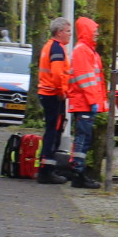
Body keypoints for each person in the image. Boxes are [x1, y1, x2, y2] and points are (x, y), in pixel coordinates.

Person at [64, 15, 107, 188]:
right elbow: (85, 80)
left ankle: (78, 171)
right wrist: (93, 101)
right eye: (94, 31)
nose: (97, 33)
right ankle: (77, 173)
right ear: (87, 31)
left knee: (84, 138)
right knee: (83, 138)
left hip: (85, 102)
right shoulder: (83, 50)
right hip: (84, 102)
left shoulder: (87, 50)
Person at [36, 17, 72, 185]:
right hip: (53, 94)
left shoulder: (49, 46)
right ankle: (47, 170)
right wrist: (62, 91)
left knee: (51, 129)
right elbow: (57, 74)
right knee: (53, 130)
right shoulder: (57, 49)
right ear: (59, 32)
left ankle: (46, 166)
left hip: (47, 93)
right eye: (68, 31)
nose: (70, 34)